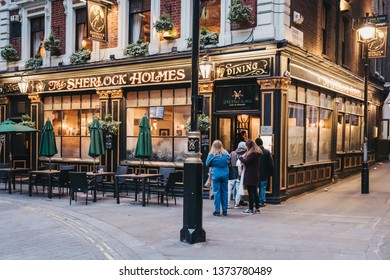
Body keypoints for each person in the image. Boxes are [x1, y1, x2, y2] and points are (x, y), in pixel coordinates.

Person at [206, 140, 230, 216]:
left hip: (216, 174)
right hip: (225, 174)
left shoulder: (211, 155)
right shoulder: (226, 153)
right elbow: (228, 161)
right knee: (225, 192)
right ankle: (225, 210)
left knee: (216, 192)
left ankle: (217, 210)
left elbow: (207, 163)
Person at [238, 139, 262, 215]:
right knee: (255, 192)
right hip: (254, 174)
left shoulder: (252, 154)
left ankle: (250, 209)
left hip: (250, 174)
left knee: (251, 192)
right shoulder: (257, 153)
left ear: (249, 146)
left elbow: (246, 162)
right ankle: (257, 208)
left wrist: (240, 157)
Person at [255, 137, 274, 207]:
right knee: (263, 187)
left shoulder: (254, 152)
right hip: (264, 173)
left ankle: (256, 200)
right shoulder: (266, 152)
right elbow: (271, 164)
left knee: (255, 187)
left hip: (255, 173)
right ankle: (261, 201)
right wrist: (270, 173)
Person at [227, 141, 247, 208]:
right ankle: (237, 203)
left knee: (229, 188)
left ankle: (227, 203)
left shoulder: (232, 153)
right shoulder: (244, 154)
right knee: (238, 188)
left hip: (232, 172)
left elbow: (228, 162)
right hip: (239, 173)